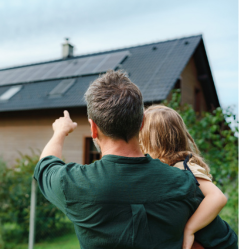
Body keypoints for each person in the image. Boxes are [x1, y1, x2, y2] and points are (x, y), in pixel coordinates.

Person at [33, 71, 237, 249]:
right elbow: (227, 243)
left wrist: (60, 132)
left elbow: (46, 164)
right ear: (141, 124)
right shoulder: (184, 183)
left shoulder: (72, 184)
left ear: (93, 128)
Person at [139, 105, 229, 249]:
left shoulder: (185, 167)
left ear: (151, 141)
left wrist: (190, 229)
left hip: (216, 243)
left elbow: (218, 197)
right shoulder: (167, 168)